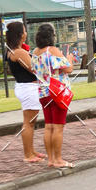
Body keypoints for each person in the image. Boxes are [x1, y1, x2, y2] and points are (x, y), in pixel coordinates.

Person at [31, 23, 74, 168]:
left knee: (48, 126)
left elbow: (34, 70)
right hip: (56, 93)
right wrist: (70, 59)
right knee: (58, 127)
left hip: (43, 93)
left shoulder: (35, 52)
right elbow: (68, 69)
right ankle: (59, 159)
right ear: (51, 36)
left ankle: (51, 160)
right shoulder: (53, 50)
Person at [5, 21, 45, 163]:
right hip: (29, 88)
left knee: (30, 122)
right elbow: (35, 69)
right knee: (28, 123)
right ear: (21, 35)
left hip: (25, 87)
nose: (26, 33)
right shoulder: (19, 52)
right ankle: (28, 155)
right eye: (24, 31)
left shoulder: (12, 51)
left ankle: (31, 151)